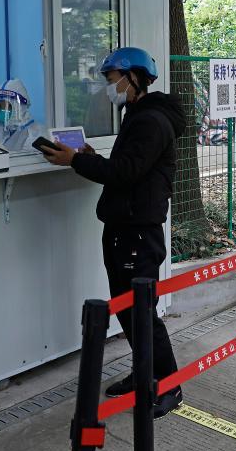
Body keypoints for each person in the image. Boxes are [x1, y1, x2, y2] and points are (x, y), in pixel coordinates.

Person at [41, 46, 187, 419]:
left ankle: (169, 385)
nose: (109, 87)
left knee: (142, 313)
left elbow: (124, 173)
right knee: (128, 310)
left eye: (112, 79)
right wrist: (88, 156)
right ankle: (145, 374)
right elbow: (127, 166)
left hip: (138, 232)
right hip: (125, 228)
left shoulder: (150, 121)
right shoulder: (137, 114)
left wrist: (75, 160)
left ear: (132, 77)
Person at [0, 79, 44, 152]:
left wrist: (7, 156)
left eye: (7, 107)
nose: (2, 111)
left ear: (20, 107)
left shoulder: (36, 134)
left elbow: (29, 158)